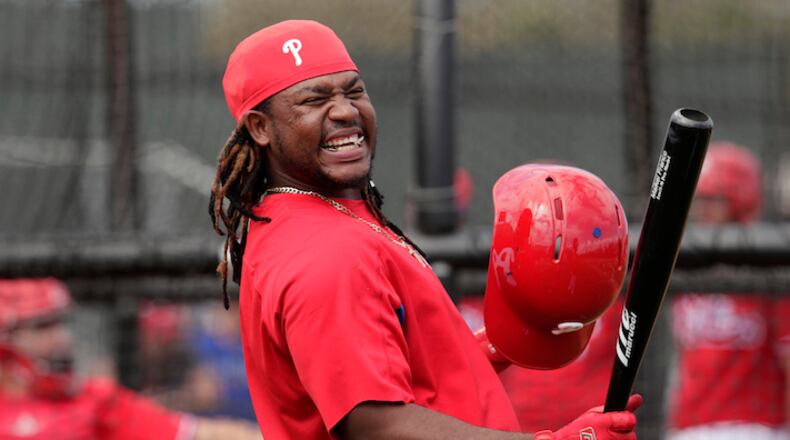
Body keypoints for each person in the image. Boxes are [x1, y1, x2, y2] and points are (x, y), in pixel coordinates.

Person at [208, 19, 641, 439]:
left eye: (354, 91)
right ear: (261, 128)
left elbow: (396, 377)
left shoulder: (310, 219)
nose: (344, 110)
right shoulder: (327, 251)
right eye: (313, 100)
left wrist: (485, 349)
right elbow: (376, 426)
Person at [0, 277, 262, 440]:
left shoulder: (92, 400)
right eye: (42, 327)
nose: (62, 339)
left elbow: (201, 434)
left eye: (60, 324)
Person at [667, 142, 790, 439]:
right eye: (698, 200)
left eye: (713, 199)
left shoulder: (769, 272)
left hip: (756, 426)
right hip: (690, 427)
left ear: (740, 200)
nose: (701, 210)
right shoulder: (684, 266)